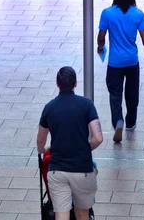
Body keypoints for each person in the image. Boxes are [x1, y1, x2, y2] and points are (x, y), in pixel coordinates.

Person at [97, 0, 144, 142]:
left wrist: (100, 47)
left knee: (115, 93)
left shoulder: (107, 13)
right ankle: (130, 122)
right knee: (132, 94)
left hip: (114, 63)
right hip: (132, 61)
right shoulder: (138, 14)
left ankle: (118, 120)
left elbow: (101, 36)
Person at [36, 66, 103, 220]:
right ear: (76, 84)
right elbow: (98, 138)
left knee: (61, 215)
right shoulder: (87, 104)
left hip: (57, 170)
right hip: (83, 170)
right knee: (82, 214)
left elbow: (40, 142)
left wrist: (44, 148)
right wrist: (86, 148)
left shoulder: (49, 107)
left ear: (57, 84)